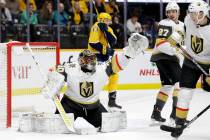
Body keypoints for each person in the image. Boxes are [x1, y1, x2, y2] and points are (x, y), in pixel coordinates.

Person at [43, 33, 149, 129]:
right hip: (70, 105)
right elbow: (56, 71)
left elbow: (117, 64)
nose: (90, 63)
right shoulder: (70, 68)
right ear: (80, 62)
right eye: (87, 61)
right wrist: (53, 84)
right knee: (58, 128)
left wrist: (129, 53)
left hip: (93, 108)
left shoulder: (101, 69)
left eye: (92, 60)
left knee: (109, 127)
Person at [161, 0, 210, 138]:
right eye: (191, 13)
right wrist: (177, 39)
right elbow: (185, 33)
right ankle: (179, 123)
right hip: (190, 61)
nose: (192, 16)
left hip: (208, 65)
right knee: (184, 93)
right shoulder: (188, 19)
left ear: (203, 12)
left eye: (195, 13)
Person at [150, 2, 184, 123]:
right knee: (180, 83)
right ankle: (175, 115)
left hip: (167, 58)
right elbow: (161, 43)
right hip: (165, 57)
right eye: (169, 12)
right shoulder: (165, 23)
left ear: (178, 12)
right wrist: (175, 50)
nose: (171, 14)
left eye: (174, 11)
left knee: (167, 86)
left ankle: (156, 113)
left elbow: (183, 44)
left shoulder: (182, 25)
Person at [88, 12, 121, 109]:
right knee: (97, 78)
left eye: (108, 20)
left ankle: (112, 101)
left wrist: (106, 31)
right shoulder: (95, 26)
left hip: (105, 57)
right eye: (106, 20)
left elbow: (113, 41)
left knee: (114, 75)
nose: (108, 22)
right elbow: (93, 43)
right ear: (101, 19)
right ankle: (90, 100)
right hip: (95, 56)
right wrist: (106, 50)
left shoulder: (108, 28)